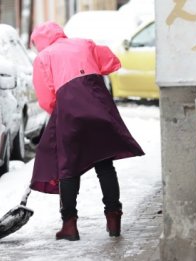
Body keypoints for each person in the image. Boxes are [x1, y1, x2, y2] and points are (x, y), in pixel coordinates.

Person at [29, 22, 145, 241]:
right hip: (98, 105)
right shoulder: (84, 44)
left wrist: (59, 110)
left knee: (68, 168)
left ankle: (69, 225)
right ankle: (113, 218)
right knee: (104, 163)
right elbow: (111, 61)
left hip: (70, 113)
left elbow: (46, 98)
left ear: (40, 42)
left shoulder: (44, 58)